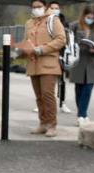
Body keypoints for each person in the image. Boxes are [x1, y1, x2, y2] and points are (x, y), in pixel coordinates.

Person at [18, 0, 66, 138]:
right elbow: (26, 41)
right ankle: (43, 122)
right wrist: (22, 49)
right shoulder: (29, 23)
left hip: (48, 63)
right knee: (39, 97)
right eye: (33, 7)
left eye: (39, 6)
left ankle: (52, 124)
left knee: (47, 95)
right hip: (33, 64)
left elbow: (61, 39)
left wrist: (42, 49)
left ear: (45, 7)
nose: (36, 9)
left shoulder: (53, 20)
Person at [69, 5, 94, 126]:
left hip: (93, 63)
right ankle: (82, 115)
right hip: (78, 61)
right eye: (88, 17)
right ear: (83, 15)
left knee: (88, 89)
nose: (90, 19)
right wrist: (79, 45)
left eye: (93, 17)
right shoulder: (75, 26)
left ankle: (81, 115)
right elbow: (68, 41)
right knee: (79, 89)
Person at [48, 0, 74, 114]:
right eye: (52, 8)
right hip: (48, 53)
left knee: (61, 80)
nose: (54, 10)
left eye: (56, 8)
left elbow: (67, 39)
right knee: (47, 81)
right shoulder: (45, 21)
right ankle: (44, 103)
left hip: (61, 54)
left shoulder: (64, 22)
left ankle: (62, 103)